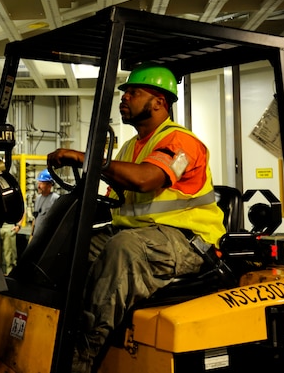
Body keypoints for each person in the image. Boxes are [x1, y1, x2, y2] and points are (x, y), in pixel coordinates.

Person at [46, 62, 226, 373]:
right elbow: (119, 192)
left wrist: (86, 159)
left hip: (186, 243)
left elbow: (145, 180)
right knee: (73, 245)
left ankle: (80, 360)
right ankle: (54, 329)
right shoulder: (131, 146)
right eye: (124, 92)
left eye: (134, 92)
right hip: (144, 236)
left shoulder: (182, 143)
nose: (124, 98)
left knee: (124, 249)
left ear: (159, 102)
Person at [31, 168, 60, 239]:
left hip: (48, 237)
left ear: (49, 185)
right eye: (39, 183)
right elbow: (35, 218)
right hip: (37, 236)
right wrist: (32, 234)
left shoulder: (55, 198)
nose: (38, 186)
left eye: (42, 183)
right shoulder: (38, 199)